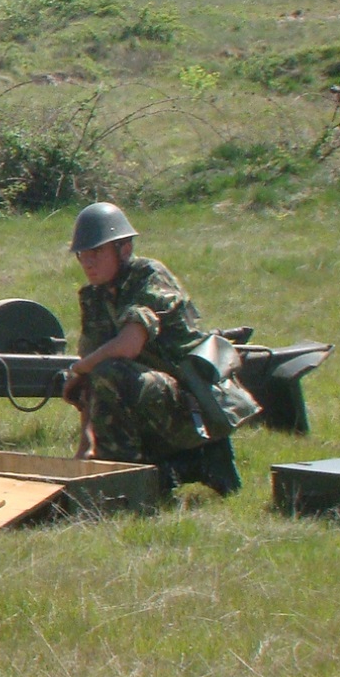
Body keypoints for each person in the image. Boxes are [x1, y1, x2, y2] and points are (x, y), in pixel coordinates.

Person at [61, 201, 243, 495]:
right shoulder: (95, 298)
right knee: (100, 373)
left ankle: (127, 481)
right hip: (153, 400)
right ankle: (135, 473)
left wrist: (81, 368)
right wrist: (85, 448)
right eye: (82, 254)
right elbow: (90, 379)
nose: (88, 262)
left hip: (193, 408)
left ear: (124, 249)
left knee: (108, 371)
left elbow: (128, 345)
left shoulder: (149, 277)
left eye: (97, 252)